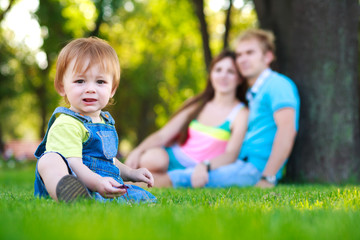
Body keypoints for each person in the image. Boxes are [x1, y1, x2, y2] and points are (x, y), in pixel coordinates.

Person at [34, 37, 156, 203]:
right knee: (49, 160)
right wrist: (98, 183)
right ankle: (68, 195)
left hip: (102, 186)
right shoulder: (67, 124)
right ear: (62, 87)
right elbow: (75, 165)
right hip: (81, 181)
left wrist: (131, 174)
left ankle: (95, 198)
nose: (90, 89)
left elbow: (108, 161)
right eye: (80, 81)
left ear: (112, 89)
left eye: (100, 82)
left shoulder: (104, 122)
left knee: (143, 198)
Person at [190, 28, 299, 188]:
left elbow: (287, 130)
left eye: (250, 53)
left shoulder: (277, 85)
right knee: (187, 173)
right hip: (242, 165)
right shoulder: (254, 92)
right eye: (239, 54)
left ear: (268, 56)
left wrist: (268, 178)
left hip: (254, 170)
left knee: (184, 178)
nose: (242, 59)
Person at [125, 50, 249, 188]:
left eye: (230, 72)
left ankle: (121, 185)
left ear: (239, 78)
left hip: (197, 169)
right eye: (218, 70)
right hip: (172, 158)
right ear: (211, 74)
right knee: (153, 160)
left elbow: (231, 154)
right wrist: (137, 151)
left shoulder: (240, 113)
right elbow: (162, 135)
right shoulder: (198, 104)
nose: (223, 76)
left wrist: (205, 165)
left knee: (152, 180)